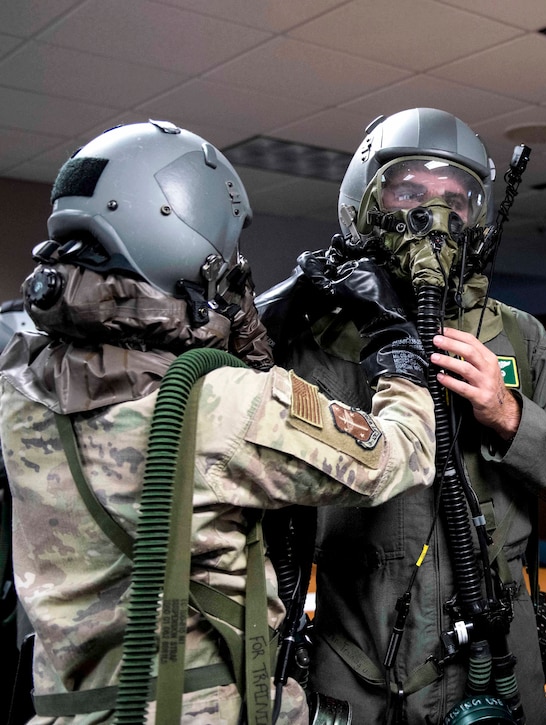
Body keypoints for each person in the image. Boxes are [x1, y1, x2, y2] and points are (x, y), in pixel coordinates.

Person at [1, 120, 437, 724]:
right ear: (183, 240)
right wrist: (397, 344)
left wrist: (256, 315)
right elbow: (401, 455)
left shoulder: (16, 381)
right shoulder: (218, 403)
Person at [258, 107, 546, 724]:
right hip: (363, 675)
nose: (438, 216)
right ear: (368, 204)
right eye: (411, 193)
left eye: (458, 197)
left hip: (500, 673)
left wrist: (507, 413)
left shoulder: (518, 338)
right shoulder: (316, 341)